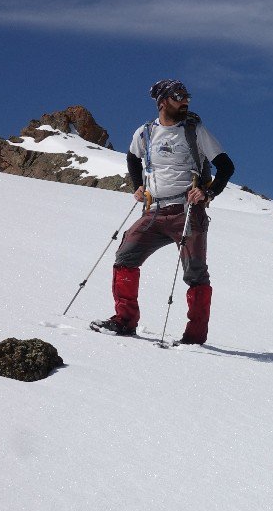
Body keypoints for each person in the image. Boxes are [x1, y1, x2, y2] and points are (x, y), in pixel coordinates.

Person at [92, 80, 235, 344]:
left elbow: (225, 166)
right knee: (125, 255)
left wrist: (208, 192)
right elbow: (133, 158)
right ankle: (124, 320)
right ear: (162, 102)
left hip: (188, 211)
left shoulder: (195, 130)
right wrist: (137, 186)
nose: (186, 102)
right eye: (179, 97)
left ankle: (194, 337)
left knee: (194, 272)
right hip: (154, 211)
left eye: (187, 97)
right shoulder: (145, 132)